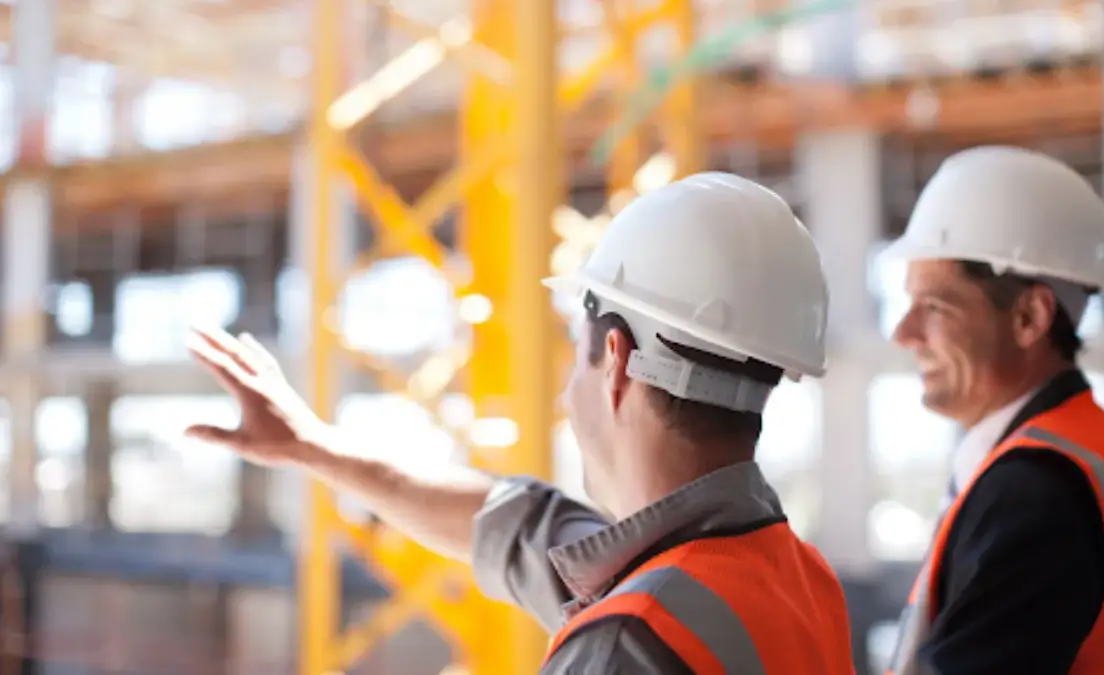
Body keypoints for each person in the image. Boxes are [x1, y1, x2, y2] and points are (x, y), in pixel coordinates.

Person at [186, 172, 856, 673]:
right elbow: (520, 524)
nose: (568, 391)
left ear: (616, 361)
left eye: (576, 355)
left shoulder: (627, 642)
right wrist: (316, 447)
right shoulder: (792, 577)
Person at [883, 146, 1104, 675]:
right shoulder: (1086, 459)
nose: (903, 334)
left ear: (1029, 316)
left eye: (934, 307)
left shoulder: (1034, 493)